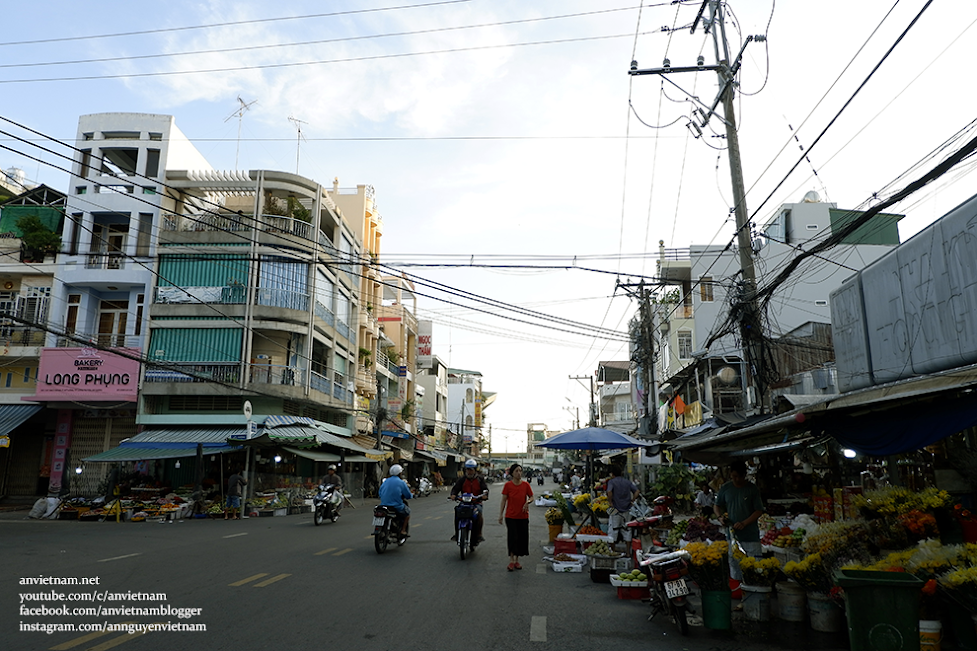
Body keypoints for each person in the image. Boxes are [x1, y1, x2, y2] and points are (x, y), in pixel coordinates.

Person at [714, 460, 765, 604]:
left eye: (738, 476)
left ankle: (754, 598)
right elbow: (717, 506)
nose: (736, 479)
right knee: (735, 567)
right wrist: (720, 518)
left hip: (751, 537)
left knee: (754, 567)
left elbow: (759, 510)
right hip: (733, 536)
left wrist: (745, 523)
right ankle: (740, 598)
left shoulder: (752, 489)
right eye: (733, 476)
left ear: (744, 475)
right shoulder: (726, 488)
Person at [499, 463, 534, 571]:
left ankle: (517, 560)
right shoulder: (508, 485)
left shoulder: (526, 485)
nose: (519, 473)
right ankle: (511, 560)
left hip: (523, 516)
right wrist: (500, 514)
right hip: (511, 516)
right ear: (512, 473)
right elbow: (504, 500)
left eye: (520, 471)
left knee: (521, 538)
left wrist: (527, 502)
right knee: (512, 537)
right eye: (516, 471)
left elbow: (531, 497)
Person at [450, 459, 489, 546]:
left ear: (475, 470)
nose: (469, 471)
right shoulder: (462, 479)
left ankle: (479, 534)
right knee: (457, 512)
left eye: (471, 469)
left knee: (478, 513)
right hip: (464, 502)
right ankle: (456, 534)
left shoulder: (480, 479)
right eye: (467, 469)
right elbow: (455, 489)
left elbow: (485, 490)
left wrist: (484, 495)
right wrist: (453, 495)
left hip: (476, 502)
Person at [606, 465, 640, 543]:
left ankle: (612, 551)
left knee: (613, 530)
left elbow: (609, 491)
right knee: (627, 530)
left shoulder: (611, 482)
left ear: (612, 474)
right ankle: (628, 552)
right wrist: (633, 500)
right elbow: (637, 491)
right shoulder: (627, 482)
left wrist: (610, 502)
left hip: (615, 510)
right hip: (627, 509)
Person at [378, 464, 412, 539]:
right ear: (400, 473)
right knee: (407, 514)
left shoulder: (385, 481)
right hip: (396, 506)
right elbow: (408, 495)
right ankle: (403, 530)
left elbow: (380, 493)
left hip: (383, 505)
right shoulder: (401, 482)